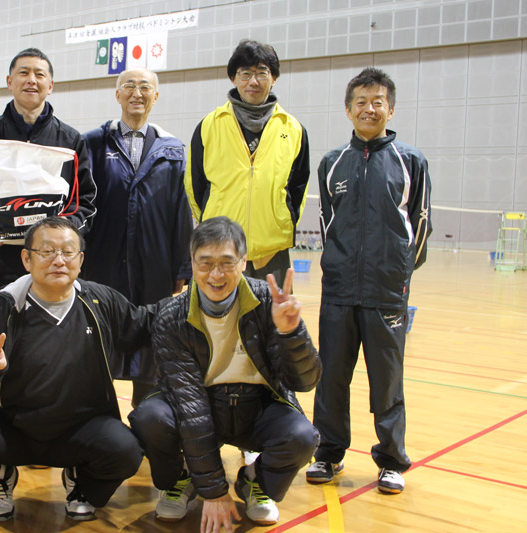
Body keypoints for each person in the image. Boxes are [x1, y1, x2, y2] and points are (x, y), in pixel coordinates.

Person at [0, 216, 156, 523]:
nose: (59, 261)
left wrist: (196, 300)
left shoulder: (99, 301)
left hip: (80, 429)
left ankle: (81, 481)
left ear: (81, 260)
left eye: (68, 252)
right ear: (26, 258)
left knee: (126, 451)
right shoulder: (1, 307)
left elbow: (143, 324)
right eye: (47, 251)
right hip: (10, 428)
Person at [129, 216, 321, 531]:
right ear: (191, 263)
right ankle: (182, 477)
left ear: (244, 262)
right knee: (149, 418)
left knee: (302, 437)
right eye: (205, 264)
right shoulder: (171, 317)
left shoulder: (267, 302)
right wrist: (214, 491)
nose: (215, 275)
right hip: (200, 402)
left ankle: (254, 480)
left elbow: (306, 381)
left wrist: (291, 333)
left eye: (226, 263)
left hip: (256, 406)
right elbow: (191, 407)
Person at [306, 67, 432, 495]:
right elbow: (327, 225)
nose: (369, 108)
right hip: (339, 292)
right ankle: (328, 453)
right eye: (361, 101)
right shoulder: (331, 162)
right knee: (332, 377)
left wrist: (398, 277)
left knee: (387, 381)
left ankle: (392, 460)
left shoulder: (410, 160)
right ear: (348, 109)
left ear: (390, 109)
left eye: (378, 101)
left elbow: (421, 224)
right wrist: (340, 267)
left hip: (386, 292)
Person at [81, 67, 192, 406]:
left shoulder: (173, 150)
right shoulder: (93, 143)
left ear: (155, 97)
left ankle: (148, 422)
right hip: (102, 266)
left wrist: (182, 268)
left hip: (154, 268)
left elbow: (180, 212)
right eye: (128, 85)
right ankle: (98, 421)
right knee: (99, 345)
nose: (137, 93)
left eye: (145, 87)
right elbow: (82, 203)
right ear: (117, 94)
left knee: (153, 348)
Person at [0, 48, 96, 307]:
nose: (31, 80)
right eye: (23, 73)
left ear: (51, 85)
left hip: (51, 267)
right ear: (9, 82)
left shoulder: (71, 140)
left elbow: (85, 204)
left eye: (39, 74)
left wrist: (60, 236)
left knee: (47, 345)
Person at [185, 39, 309, 287]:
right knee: (217, 324)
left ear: (273, 78)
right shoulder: (209, 126)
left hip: (272, 253)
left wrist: (279, 223)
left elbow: (298, 187)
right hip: (219, 250)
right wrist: (211, 225)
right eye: (245, 74)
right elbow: (195, 186)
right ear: (234, 78)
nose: (253, 81)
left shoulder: (293, 129)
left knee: (274, 324)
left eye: (262, 73)